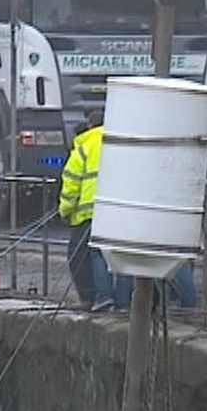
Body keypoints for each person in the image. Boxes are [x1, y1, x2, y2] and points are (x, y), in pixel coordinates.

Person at [60, 110, 130, 311]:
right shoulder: (120, 143)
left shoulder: (84, 146)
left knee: (88, 255)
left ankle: (98, 298)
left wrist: (65, 211)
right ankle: (124, 301)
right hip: (119, 209)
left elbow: (71, 184)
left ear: (90, 125)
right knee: (120, 256)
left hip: (89, 214)